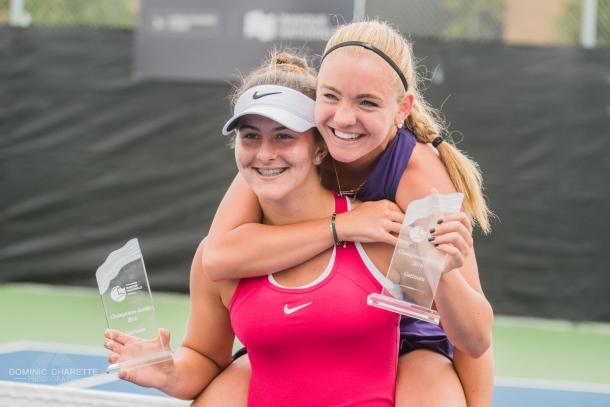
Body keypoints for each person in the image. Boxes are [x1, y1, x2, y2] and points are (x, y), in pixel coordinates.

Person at [103, 52, 478, 406]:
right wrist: (169, 373)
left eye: (284, 136)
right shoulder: (220, 259)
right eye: (250, 136)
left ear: (319, 148)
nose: (265, 153)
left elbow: (475, 340)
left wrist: (445, 275)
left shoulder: (380, 230)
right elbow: (203, 357)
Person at [201, 20, 495, 407]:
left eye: (367, 102)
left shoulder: (416, 175)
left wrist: (474, 401)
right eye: (331, 97)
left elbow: (475, 339)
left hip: (408, 334)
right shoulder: (291, 150)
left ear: (402, 108)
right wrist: (342, 226)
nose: (342, 118)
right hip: (318, 329)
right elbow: (219, 256)